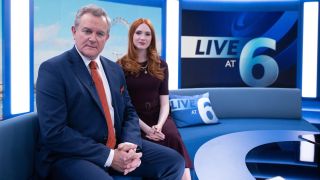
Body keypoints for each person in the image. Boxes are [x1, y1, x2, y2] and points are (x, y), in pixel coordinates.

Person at [35, 4, 185, 180]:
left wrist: (130, 145)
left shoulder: (114, 69)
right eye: (87, 31)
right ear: (74, 31)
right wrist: (110, 156)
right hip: (73, 156)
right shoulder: (53, 69)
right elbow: (54, 132)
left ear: (107, 38)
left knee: (174, 161)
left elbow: (129, 111)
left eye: (99, 34)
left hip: (118, 146)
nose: (93, 38)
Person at [117, 18, 192, 180]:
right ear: (131, 36)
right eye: (138, 33)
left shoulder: (161, 65)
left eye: (147, 34)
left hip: (160, 117)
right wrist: (146, 129)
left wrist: (158, 125)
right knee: (146, 144)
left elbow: (165, 102)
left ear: (152, 38)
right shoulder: (119, 66)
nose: (142, 37)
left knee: (172, 136)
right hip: (135, 120)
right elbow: (124, 107)